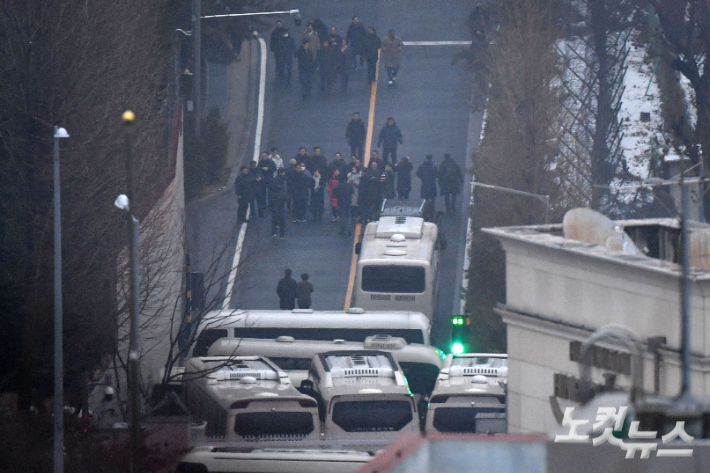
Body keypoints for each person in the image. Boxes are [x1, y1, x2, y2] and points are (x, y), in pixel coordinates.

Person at [417, 155, 438, 220]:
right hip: (432, 184)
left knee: (425, 197)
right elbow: (437, 173)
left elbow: (418, 173)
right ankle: (431, 210)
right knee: (432, 197)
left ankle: (424, 210)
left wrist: (422, 178)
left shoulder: (421, 166)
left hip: (424, 183)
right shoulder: (434, 166)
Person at [270, 168, 288, 238]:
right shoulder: (280, 180)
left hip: (276, 203)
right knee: (281, 219)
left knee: (275, 218)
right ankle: (281, 234)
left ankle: (274, 232)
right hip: (279, 203)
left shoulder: (277, 179)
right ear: (281, 172)